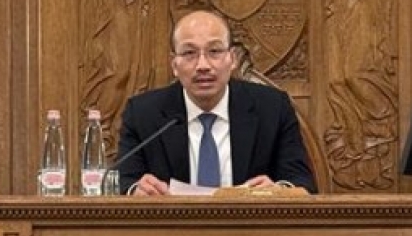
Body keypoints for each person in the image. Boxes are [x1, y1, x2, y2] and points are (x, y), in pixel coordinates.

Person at [117, 11, 317, 195]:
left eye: (214, 51)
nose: (203, 65)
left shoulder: (273, 108)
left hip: (250, 229)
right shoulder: (143, 113)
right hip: (173, 231)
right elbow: (124, 182)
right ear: (174, 65)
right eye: (189, 53)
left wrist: (278, 191)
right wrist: (137, 191)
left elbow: (301, 182)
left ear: (232, 59)